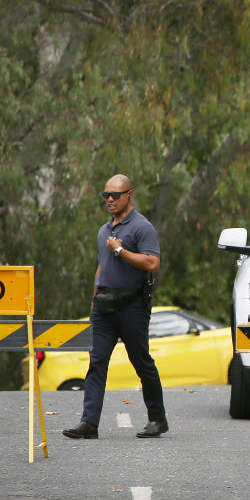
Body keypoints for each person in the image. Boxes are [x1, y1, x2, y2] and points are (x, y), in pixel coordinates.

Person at [63, 174, 169, 440]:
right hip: (104, 308)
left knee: (141, 361)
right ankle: (89, 423)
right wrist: (94, 299)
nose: (110, 199)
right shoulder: (103, 230)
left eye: (115, 195)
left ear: (129, 195)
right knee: (97, 362)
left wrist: (121, 251)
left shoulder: (142, 228)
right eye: (106, 195)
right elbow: (102, 266)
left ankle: (157, 419)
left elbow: (152, 263)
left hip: (132, 306)